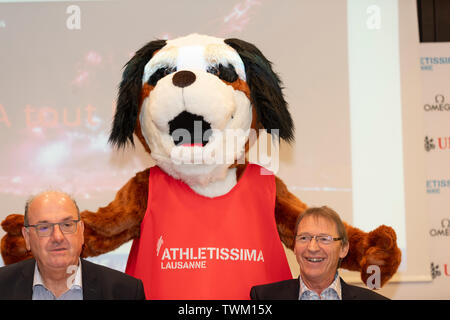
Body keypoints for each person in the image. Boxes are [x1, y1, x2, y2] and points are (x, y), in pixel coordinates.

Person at [0, 190, 146, 300]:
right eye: (44, 227)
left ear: (81, 231)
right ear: (27, 237)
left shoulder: (126, 292)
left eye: (67, 225)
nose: (58, 237)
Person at [250, 206, 388, 300]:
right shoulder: (263, 297)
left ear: (343, 249)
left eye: (324, 239)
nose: (312, 247)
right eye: (304, 238)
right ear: (295, 247)